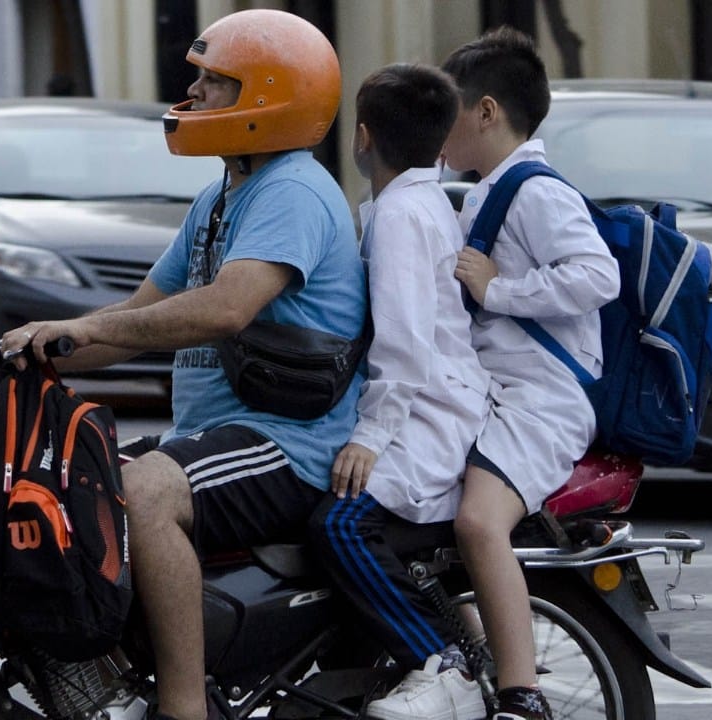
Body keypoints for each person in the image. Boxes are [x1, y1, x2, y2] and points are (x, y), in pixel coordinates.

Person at [0, 10, 363, 720]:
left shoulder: (290, 190)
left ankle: (184, 705)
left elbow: (227, 307)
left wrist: (73, 330)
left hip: (290, 445)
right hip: (220, 434)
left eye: (212, 82)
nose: (191, 94)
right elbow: (131, 324)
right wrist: (21, 349)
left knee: (140, 492)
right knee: (70, 485)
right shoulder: (220, 197)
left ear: (266, 99)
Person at [440, 27, 620, 720]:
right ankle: (472, 662)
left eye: (449, 110)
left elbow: (595, 275)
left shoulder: (536, 191)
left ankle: (522, 693)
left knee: (480, 525)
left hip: (542, 400)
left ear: (487, 112)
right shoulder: (489, 189)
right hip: (500, 395)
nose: (439, 130)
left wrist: (498, 291)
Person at [308, 63, 490, 720]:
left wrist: (371, 436)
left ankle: (443, 663)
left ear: (361, 137)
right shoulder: (415, 204)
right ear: (441, 142)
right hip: (432, 402)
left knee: (340, 523)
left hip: (426, 415)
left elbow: (406, 340)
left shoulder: (401, 215)